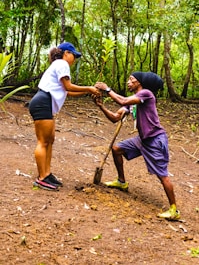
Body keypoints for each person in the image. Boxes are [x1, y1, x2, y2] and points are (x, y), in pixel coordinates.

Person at [93, 72, 180, 220]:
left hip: (154, 140)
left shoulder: (146, 94)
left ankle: (174, 210)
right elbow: (115, 118)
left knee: (162, 175)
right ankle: (121, 182)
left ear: (139, 83)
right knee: (116, 149)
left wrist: (107, 89)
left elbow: (122, 100)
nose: (128, 82)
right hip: (142, 139)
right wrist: (101, 106)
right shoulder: (133, 102)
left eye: (131, 80)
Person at [29, 42, 100, 191]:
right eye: (74, 55)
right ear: (66, 53)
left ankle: (47, 174)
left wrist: (89, 92)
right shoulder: (61, 63)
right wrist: (89, 88)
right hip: (43, 102)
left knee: (50, 140)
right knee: (43, 141)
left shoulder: (58, 65)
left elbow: (68, 92)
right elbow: (68, 87)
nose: (74, 59)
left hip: (44, 103)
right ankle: (41, 178)